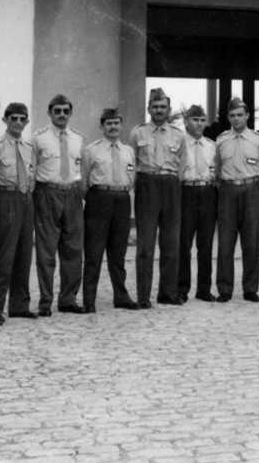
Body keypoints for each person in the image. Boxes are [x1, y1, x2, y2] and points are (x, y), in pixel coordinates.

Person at [130, 87, 185, 307]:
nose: (159, 110)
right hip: (147, 184)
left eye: (163, 107)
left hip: (170, 185)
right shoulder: (138, 133)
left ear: (169, 109)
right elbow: (132, 161)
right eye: (155, 107)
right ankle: (143, 296)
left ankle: (168, 293)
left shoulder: (178, 134)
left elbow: (182, 163)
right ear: (149, 109)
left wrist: (172, 183)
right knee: (145, 245)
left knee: (171, 243)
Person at [33, 94, 85, 315]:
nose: (62, 115)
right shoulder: (38, 138)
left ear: (70, 113)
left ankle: (68, 299)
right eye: (57, 111)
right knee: (46, 250)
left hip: (72, 194)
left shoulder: (78, 138)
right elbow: (32, 168)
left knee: (73, 249)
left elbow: (79, 168)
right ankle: (45, 301)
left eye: (65, 111)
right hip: (48, 193)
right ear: (50, 113)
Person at [81, 108, 138, 312]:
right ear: (102, 126)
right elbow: (84, 180)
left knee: (118, 253)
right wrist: (97, 197)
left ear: (121, 125)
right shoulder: (91, 150)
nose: (113, 127)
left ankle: (121, 296)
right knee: (94, 252)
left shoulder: (128, 151)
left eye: (116, 123)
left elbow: (132, 178)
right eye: (108, 123)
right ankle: (89, 300)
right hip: (99, 199)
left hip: (122, 199)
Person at [214, 97, 259, 302]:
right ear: (228, 117)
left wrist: (254, 187)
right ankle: (225, 289)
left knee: (252, 241)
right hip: (228, 190)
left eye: (240, 115)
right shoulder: (221, 140)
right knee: (226, 242)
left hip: (251, 190)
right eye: (232, 115)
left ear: (247, 116)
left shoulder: (258, 140)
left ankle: (250, 289)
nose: (236, 119)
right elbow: (217, 169)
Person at [0, 102, 36, 321]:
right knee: (4, 253)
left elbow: (32, 175)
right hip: (6, 197)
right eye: (14, 119)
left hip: (25, 199)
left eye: (22, 119)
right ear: (5, 120)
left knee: (24, 253)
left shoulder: (29, 147)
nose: (18, 123)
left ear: (27, 121)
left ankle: (20, 305)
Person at [179, 104, 218, 303]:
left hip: (207, 193)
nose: (199, 124)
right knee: (183, 243)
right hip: (186, 191)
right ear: (186, 121)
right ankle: (182, 289)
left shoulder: (211, 145)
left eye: (202, 120)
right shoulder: (179, 143)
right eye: (195, 119)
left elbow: (216, 171)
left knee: (206, 244)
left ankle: (204, 289)